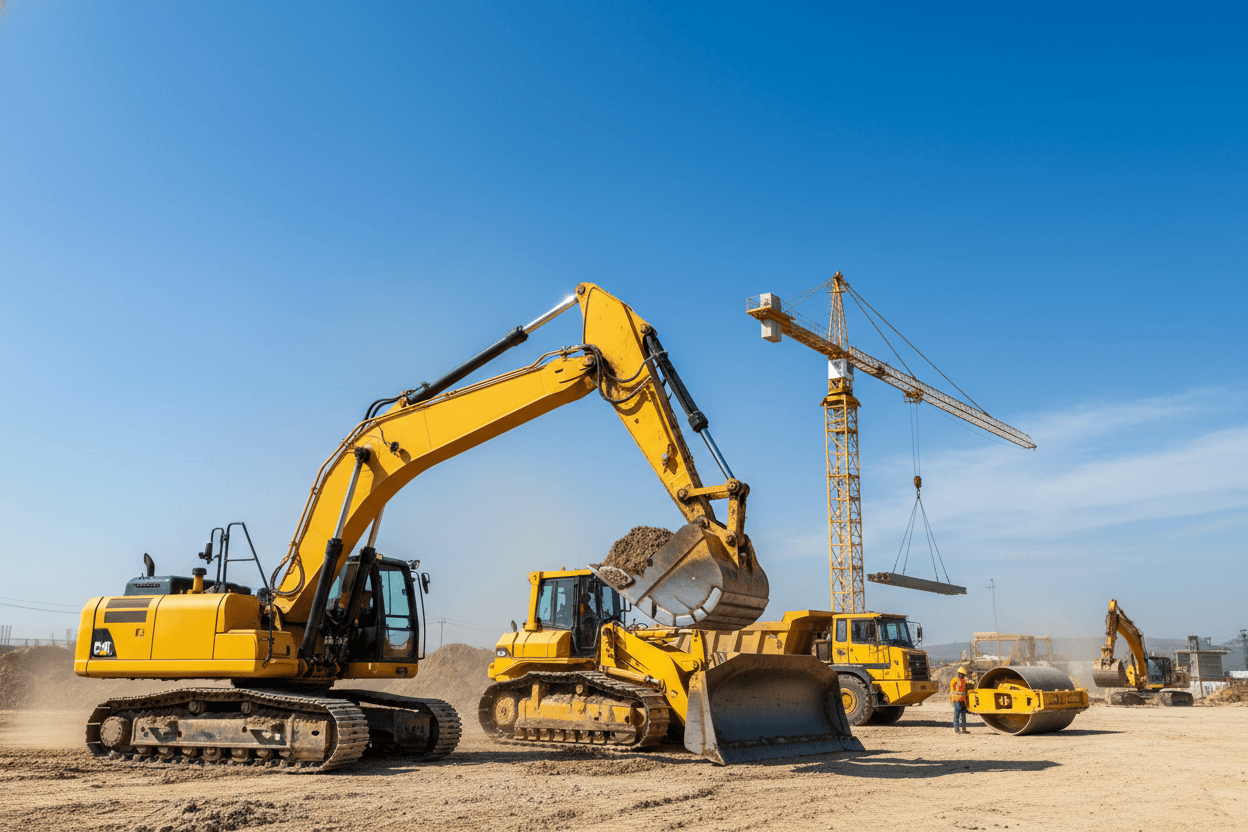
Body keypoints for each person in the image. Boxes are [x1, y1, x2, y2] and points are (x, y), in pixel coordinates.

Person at [950, 667, 969, 733]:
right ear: (960, 674)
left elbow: (964, 691)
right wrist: (952, 701)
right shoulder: (954, 681)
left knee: (963, 715)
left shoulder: (963, 681)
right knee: (957, 715)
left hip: (962, 701)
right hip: (956, 701)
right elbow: (952, 692)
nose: (964, 676)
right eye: (963, 675)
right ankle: (957, 729)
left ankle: (964, 729)